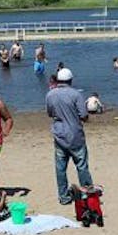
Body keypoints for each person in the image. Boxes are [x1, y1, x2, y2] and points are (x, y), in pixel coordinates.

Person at [46, 67, 94, 206]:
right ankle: (87, 192)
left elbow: (50, 113)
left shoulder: (50, 95)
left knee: (60, 168)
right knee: (82, 166)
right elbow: (84, 115)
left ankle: (63, 196)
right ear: (71, 80)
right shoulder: (76, 95)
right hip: (75, 135)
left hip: (59, 134)